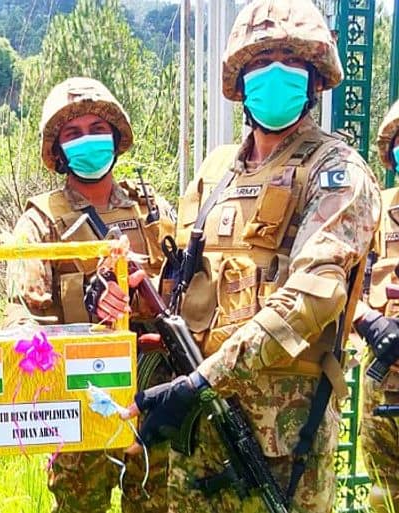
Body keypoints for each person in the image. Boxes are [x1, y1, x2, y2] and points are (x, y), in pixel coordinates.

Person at [91, 1, 381, 511]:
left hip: (279, 440)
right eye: (259, 63)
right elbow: (182, 285)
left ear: (314, 80)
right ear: (239, 82)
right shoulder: (216, 173)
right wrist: (128, 291)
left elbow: (311, 298)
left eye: (291, 63)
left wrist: (204, 379)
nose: (275, 75)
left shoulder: (337, 171)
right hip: (198, 428)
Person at [4, 76, 174, 513]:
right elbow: (23, 321)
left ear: (116, 137)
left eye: (98, 128)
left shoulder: (151, 211)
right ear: (57, 150)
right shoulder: (41, 222)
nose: (87, 140)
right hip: (77, 396)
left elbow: (188, 294)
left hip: (154, 391)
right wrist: (87, 320)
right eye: (73, 133)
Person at [350, 99, 399, 512]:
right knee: (384, 492)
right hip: (385, 378)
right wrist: (370, 321)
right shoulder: (375, 211)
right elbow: (342, 283)